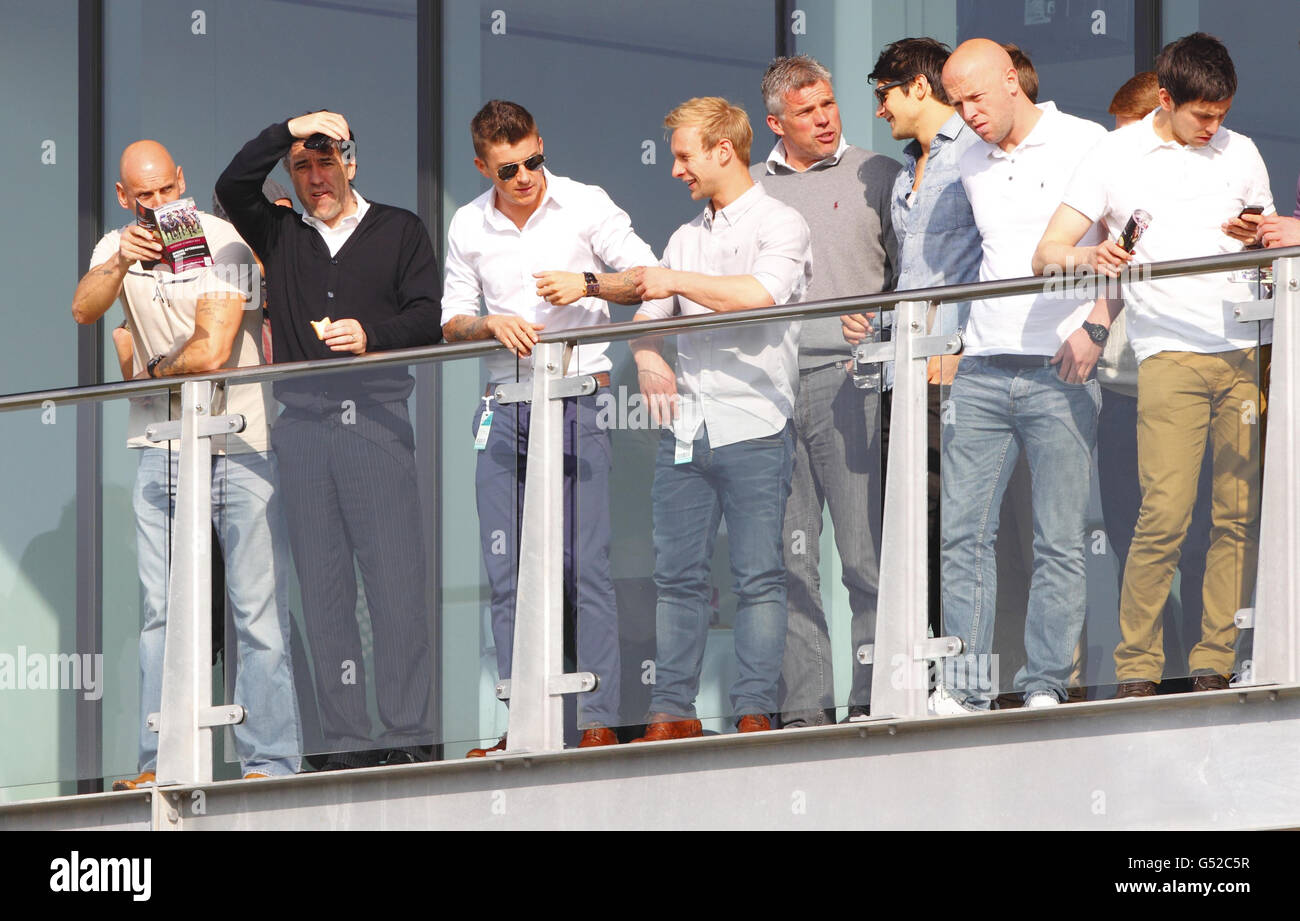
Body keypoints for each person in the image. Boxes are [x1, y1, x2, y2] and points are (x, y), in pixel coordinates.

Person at [1034, 32, 1272, 696]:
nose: (1214, 127)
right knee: (1162, 514)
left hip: (1242, 349)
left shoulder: (1243, 152)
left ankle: (1213, 660)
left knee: (1233, 514)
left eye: (1222, 113)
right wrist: (1093, 257)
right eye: (1202, 114)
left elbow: (1270, 247)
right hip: (1168, 352)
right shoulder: (1115, 154)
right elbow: (1047, 252)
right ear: (1166, 100)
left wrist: (1259, 235)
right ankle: (1138, 666)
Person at [216, 110, 443, 769]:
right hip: (304, 433)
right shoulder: (279, 231)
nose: (315, 177)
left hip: (375, 425)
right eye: (301, 165)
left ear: (351, 160)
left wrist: (371, 337)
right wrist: (289, 123)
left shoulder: (399, 228)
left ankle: (406, 736)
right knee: (323, 591)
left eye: (325, 161)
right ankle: (343, 741)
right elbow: (233, 183)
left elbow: (427, 316)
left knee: (395, 586)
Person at [72, 140, 301, 789]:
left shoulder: (225, 240)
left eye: (166, 192)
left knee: (255, 606)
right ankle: (161, 760)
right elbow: (84, 309)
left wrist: (150, 368)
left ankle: (269, 761)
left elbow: (214, 347)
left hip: (240, 442)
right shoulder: (115, 247)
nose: (157, 206)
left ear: (182, 181)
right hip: (160, 448)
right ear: (124, 197)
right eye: (142, 197)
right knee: (162, 613)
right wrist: (119, 260)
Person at [442, 100, 658, 754]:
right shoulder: (467, 223)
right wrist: (489, 325)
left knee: (582, 562)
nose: (528, 176)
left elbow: (646, 277)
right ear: (484, 166)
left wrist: (586, 282)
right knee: (507, 571)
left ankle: (595, 719)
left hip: (579, 396)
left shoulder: (586, 203)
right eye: (510, 169)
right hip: (505, 403)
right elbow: (452, 318)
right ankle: (522, 724)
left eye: (535, 159)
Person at [627, 96, 812, 740]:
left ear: (722, 151)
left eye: (683, 156)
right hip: (685, 430)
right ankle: (671, 711)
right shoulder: (684, 237)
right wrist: (650, 358)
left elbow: (758, 297)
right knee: (676, 577)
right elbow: (646, 320)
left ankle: (752, 709)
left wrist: (673, 280)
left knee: (759, 576)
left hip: (756, 424)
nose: (675, 169)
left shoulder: (781, 222)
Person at [933, 39, 1109, 712]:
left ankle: (1044, 686)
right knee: (962, 535)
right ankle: (967, 689)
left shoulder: (1085, 142)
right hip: (980, 365)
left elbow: (1129, 245)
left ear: (1012, 81)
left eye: (976, 97)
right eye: (956, 102)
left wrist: (1095, 326)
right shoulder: (965, 156)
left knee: (1058, 537)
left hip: (1061, 365)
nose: (967, 113)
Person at [750, 54, 899, 726]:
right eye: (808, 111)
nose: (826, 118)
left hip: (852, 380)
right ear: (775, 122)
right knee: (791, 559)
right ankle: (807, 711)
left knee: (864, 554)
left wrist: (883, 320)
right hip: (773, 392)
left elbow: (919, 278)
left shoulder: (880, 175)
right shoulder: (750, 191)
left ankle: (874, 701)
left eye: (830, 104)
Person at [846, 37, 982, 650]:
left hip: (952, 372)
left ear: (919, 89)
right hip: (902, 374)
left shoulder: (976, 158)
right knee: (910, 531)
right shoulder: (907, 172)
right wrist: (874, 329)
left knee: (957, 527)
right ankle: (929, 669)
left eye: (884, 94)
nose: (879, 110)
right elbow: (916, 275)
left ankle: (970, 674)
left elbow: (992, 263)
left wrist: (963, 345)